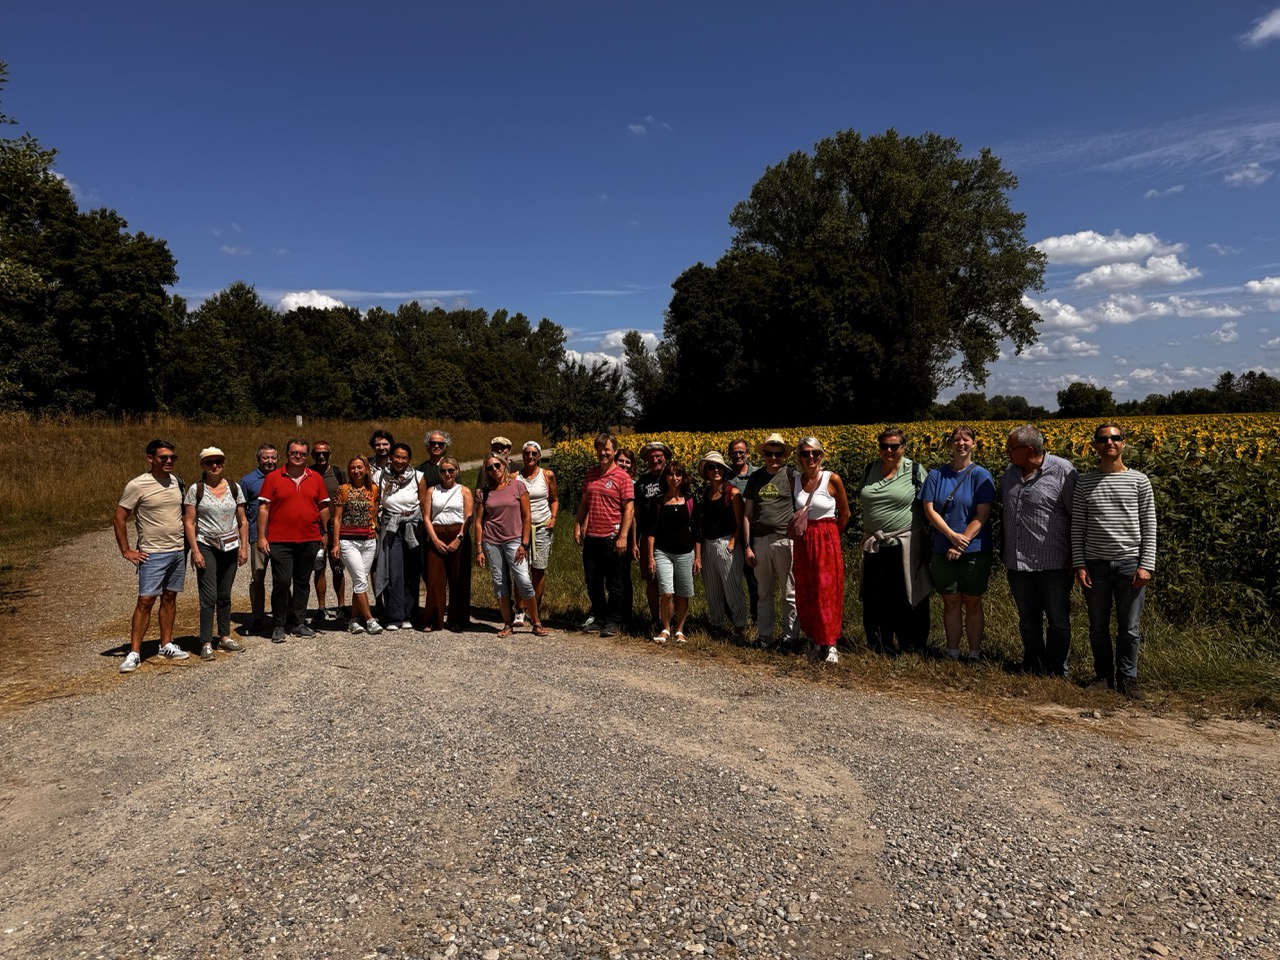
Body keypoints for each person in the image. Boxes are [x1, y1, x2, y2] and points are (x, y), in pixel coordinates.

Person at [1072, 423, 1157, 700]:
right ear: (1095, 445)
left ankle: (1128, 679)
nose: (1110, 442)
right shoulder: (1084, 482)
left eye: (1116, 438)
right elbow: (1078, 526)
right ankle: (1103, 677)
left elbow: (1149, 525)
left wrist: (1146, 565)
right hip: (1095, 564)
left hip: (1129, 563)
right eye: (1104, 439)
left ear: (1123, 444)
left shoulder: (1139, 481)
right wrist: (1079, 563)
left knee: (1129, 627)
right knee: (1097, 626)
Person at [1000, 424, 1078, 678]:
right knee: (1027, 618)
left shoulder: (1062, 471)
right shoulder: (1010, 473)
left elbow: (1076, 515)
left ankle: (1056, 669)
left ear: (1030, 449)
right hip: (1018, 561)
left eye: (1011, 448)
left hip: (1053, 561)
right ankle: (1033, 662)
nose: (1007, 452)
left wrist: (1075, 552)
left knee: (1058, 619)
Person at [114, 439, 191, 672]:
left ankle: (166, 644)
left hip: (178, 550)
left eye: (172, 458)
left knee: (170, 597)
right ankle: (134, 652)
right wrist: (126, 550)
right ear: (150, 458)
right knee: (145, 601)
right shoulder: (138, 485)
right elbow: (120, 517)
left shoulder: (177, 481)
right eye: (163, 457)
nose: (169, 461)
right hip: (152, 553)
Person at [920, 426, 996, 661]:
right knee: (950, 602)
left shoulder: (981, 475)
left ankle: (974, 653)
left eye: (966, 439)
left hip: (974, 549)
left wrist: (961, 543)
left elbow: (982, 515)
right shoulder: (936, 475)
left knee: (973, 602)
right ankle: (952, 652)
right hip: (943, 548)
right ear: (950, 444)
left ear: (973, 444)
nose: (961, 443)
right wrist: (951, 536)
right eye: (956, 440)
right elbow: (929, 510)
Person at [857, 427, 930, 656]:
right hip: (874, 543)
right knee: (875, 595)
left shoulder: (915, 471)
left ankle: (911, 644)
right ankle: (880, 643)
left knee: (907, 593)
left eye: (894, 446)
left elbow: (929, 504)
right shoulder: (869, 469)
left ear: (903, 448)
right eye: (884, 446)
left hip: (904, 543)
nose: (889, 450)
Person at [258, 438, 331, 643]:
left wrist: (325, 533)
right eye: (294, 453)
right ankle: (279, 625)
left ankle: (299, 623)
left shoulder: (315, 477)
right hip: (280, 540)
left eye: (302, 453)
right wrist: (262, 537)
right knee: (281, 582)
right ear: (287, 454)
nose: (298, 456)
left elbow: (323, 507)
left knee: (302, 582)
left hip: (309, 538)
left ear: (306, 456)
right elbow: (263, 508)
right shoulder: (273, 477)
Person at [183, 447, 249, 661]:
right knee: (208, 596)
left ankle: (224, 637)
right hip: (206, 546)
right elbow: (190, 522)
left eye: (218, 461)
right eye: (209, 462)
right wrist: (195, 550)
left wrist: (244, 547)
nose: (214, 466)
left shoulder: (234, 487)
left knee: (225, 594)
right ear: (202, 465)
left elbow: (243, 520)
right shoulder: (196, 489)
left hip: (229, 547)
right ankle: (205, 642)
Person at [790, 438, 851, 664]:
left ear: (821, 455)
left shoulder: (832, 478)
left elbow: (845, 514)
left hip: (827, 538)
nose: (811, 457)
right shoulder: (794, 481)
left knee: (828, 591)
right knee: (807, 590)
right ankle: (816, 639)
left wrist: (833, 537)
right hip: (804, 541)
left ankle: (831, 642)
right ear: (799, 457)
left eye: (815, 453)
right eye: (806, 453)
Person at [475, 454, 546, 636]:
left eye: (497, 465)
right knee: (499, 583)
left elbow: (526, 516)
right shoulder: (485, 491)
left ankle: (536, 622)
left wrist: (525, 543)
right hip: (492, 541)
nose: (494, 470)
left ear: (504, 465)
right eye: (489, 468)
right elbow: (478, 521)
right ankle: (507, 624)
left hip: (514, 539)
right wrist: (479, 548)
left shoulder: (518, 486)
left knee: (523, 579)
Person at [574, 432, 635, 638]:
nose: (603, 453)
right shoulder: (590, 474)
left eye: (607, 449)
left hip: (612, 537)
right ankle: (599, 617)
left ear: (614, 451)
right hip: (592, 536)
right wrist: (577, 524)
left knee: (615, 582)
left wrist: (623, 536)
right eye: (600, 449)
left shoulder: (622, 477)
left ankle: (613, 620)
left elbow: (629, 509)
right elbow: (584, 503)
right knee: (592, 580)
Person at [743, 433, 799, 650]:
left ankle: (790, 637)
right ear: (763, 454)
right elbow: (747, 513)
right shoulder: (756, 478)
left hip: (786, 540)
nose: (773, 457)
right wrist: (747, 546)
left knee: (789, 591)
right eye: (769, 453)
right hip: (760, 540)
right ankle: (764, 636)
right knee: (763, 591)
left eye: (778, 453)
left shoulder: (792, 476)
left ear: (783, 454)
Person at [644, 460, 702, 644]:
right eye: (670, 474)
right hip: (663, 552)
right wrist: (650, 557)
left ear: (683, 477)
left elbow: (697, 530)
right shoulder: (658, 501)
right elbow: (650, 531)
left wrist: (698, 557)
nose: (674, 478)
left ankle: (680, 630)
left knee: (683, 593)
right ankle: (666, 628)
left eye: (678, 474)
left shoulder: (691, 500)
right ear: (665, 477)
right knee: (666, 592)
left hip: (686, 552)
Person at [697, 451, 748, 634]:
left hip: (726, 543)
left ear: (724, 470)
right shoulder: (707, 493)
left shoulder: (732, 492)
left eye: (719, 467)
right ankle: (717, 623)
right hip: (708, 544)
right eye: (711, 467)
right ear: (707, 471)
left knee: (732, 587)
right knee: (712, 589)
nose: (716, 470)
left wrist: (733, 543)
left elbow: (740, 521)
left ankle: (740, 624)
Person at [373, 442, 422, 631]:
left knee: (411, 571)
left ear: (409, 460)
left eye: (404, 457)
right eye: (397, 457)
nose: (400, 461)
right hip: (390, 526)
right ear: (391, 457)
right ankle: (393, 615)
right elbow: (376, 500)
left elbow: (424, 503)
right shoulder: (380, 476)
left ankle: (409, 613)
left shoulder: (418, 477)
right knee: (392, 570)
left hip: (412, 525)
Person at [332, 455, 382, 635]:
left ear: (367, 469)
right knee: (360, 579)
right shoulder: (343, 490)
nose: (356, 471)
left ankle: (353, 620)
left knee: (359, 580)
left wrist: (374, 529)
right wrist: (336, 543)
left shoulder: (374, 490)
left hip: (368, 541)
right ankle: (369, 619)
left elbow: (374, 513)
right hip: (348, 541)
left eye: (360, 467)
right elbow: (337, 519)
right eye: (353, 467)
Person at [422, 456, 473, 632]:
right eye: (443, 471)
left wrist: (458, 539)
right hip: (437, 533)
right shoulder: (431, 491)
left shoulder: (464, 491)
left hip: (458, 534)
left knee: (459, 579)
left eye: (451, 470)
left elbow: (468, 517)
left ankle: (457, 619)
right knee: (435, 579)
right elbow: (426, 517)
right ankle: (433, 619)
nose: (447, 474)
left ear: (457, 471)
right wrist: (434, 540)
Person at [238, 443, 277, 635]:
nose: (270, 461)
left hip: (280, 537)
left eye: (273, 458)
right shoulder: (247, 481)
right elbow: (241, 512)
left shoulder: (283, 477)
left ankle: (283, 615)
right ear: (258, 459)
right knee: (258, 577)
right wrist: (243, 542)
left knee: (282, 578)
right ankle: (258, 616)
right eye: (266, 458)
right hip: (257, 536)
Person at [633, 441, 671, 628]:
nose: (656, 459)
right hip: (648, 536)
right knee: (651, 580)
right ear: (647, 460)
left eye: (659, 456)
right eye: (652, 457)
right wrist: (634, 541)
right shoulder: (641, 482)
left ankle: (670, 620)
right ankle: (655, 619)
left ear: (665, 457)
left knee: (670, 581)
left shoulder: (673, 476)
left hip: (669, 536)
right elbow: (636, 514)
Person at [517, 441, 558, 614]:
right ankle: (519, 608)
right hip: (520, 529)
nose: (530, 457)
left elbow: (554, 499)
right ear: (523, 455)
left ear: (539, 456)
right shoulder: (514, 477)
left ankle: (534, 608)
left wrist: (554, 518)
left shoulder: (547, 475)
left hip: (542, 526)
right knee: (520, 569)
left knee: (538, 570)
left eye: (534, 454)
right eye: (527, 453)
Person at [310, 439, 345, 623]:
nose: (321, 456)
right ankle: (321, 608)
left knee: (338, 568)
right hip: (315, 531)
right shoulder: (307, 473)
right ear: (312, 455)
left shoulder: (338, 473)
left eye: (324, 453)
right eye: (317, 453)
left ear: (330, 454)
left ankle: (341, 607)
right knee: (319, 568)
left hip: (337, 529)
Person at [726, 438, 759, 623]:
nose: (738, 456)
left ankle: (756, 617)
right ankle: (732, 616)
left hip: (753, 532)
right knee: (730, 576)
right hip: (731, 532)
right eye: (734, 453)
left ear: (747, 454)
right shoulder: (725, 475)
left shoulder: (757, 474)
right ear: (729, 454)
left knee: (754, 578)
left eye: (741, 452)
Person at [611, 447, 638, 630]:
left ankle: (625, 615)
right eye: (621, 461)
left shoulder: (633, 483)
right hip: (608, 532)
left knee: (622, 576)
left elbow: (633, 514)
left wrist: (632, 540)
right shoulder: (609, 478)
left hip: (625, 534)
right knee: (610, 575)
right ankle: (611, 611)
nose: (624, 464)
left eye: (628, 462)